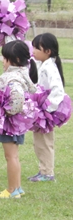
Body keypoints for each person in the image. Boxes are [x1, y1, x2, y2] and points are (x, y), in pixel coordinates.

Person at [0, 41, 37, 199]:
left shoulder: (11, 77)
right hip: (18, 123)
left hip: (10, 123)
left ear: (15, 59)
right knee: (14, 156)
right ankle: (17, 188)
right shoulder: (24, 73)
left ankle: (11, 189)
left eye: (5, 58)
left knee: (10, 156)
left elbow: (17, 97)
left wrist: (7, 111)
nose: (2, 61)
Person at [28, 33, 66, 183]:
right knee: (39, 142)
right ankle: (43, 170)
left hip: (46, 113)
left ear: (47, 51)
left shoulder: (50, 68)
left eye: (37, 48)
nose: (34, 51)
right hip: (41, 111)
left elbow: (58, 90)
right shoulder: (42, 65)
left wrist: (47, 109)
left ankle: (48, 173)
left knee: (45, 142)